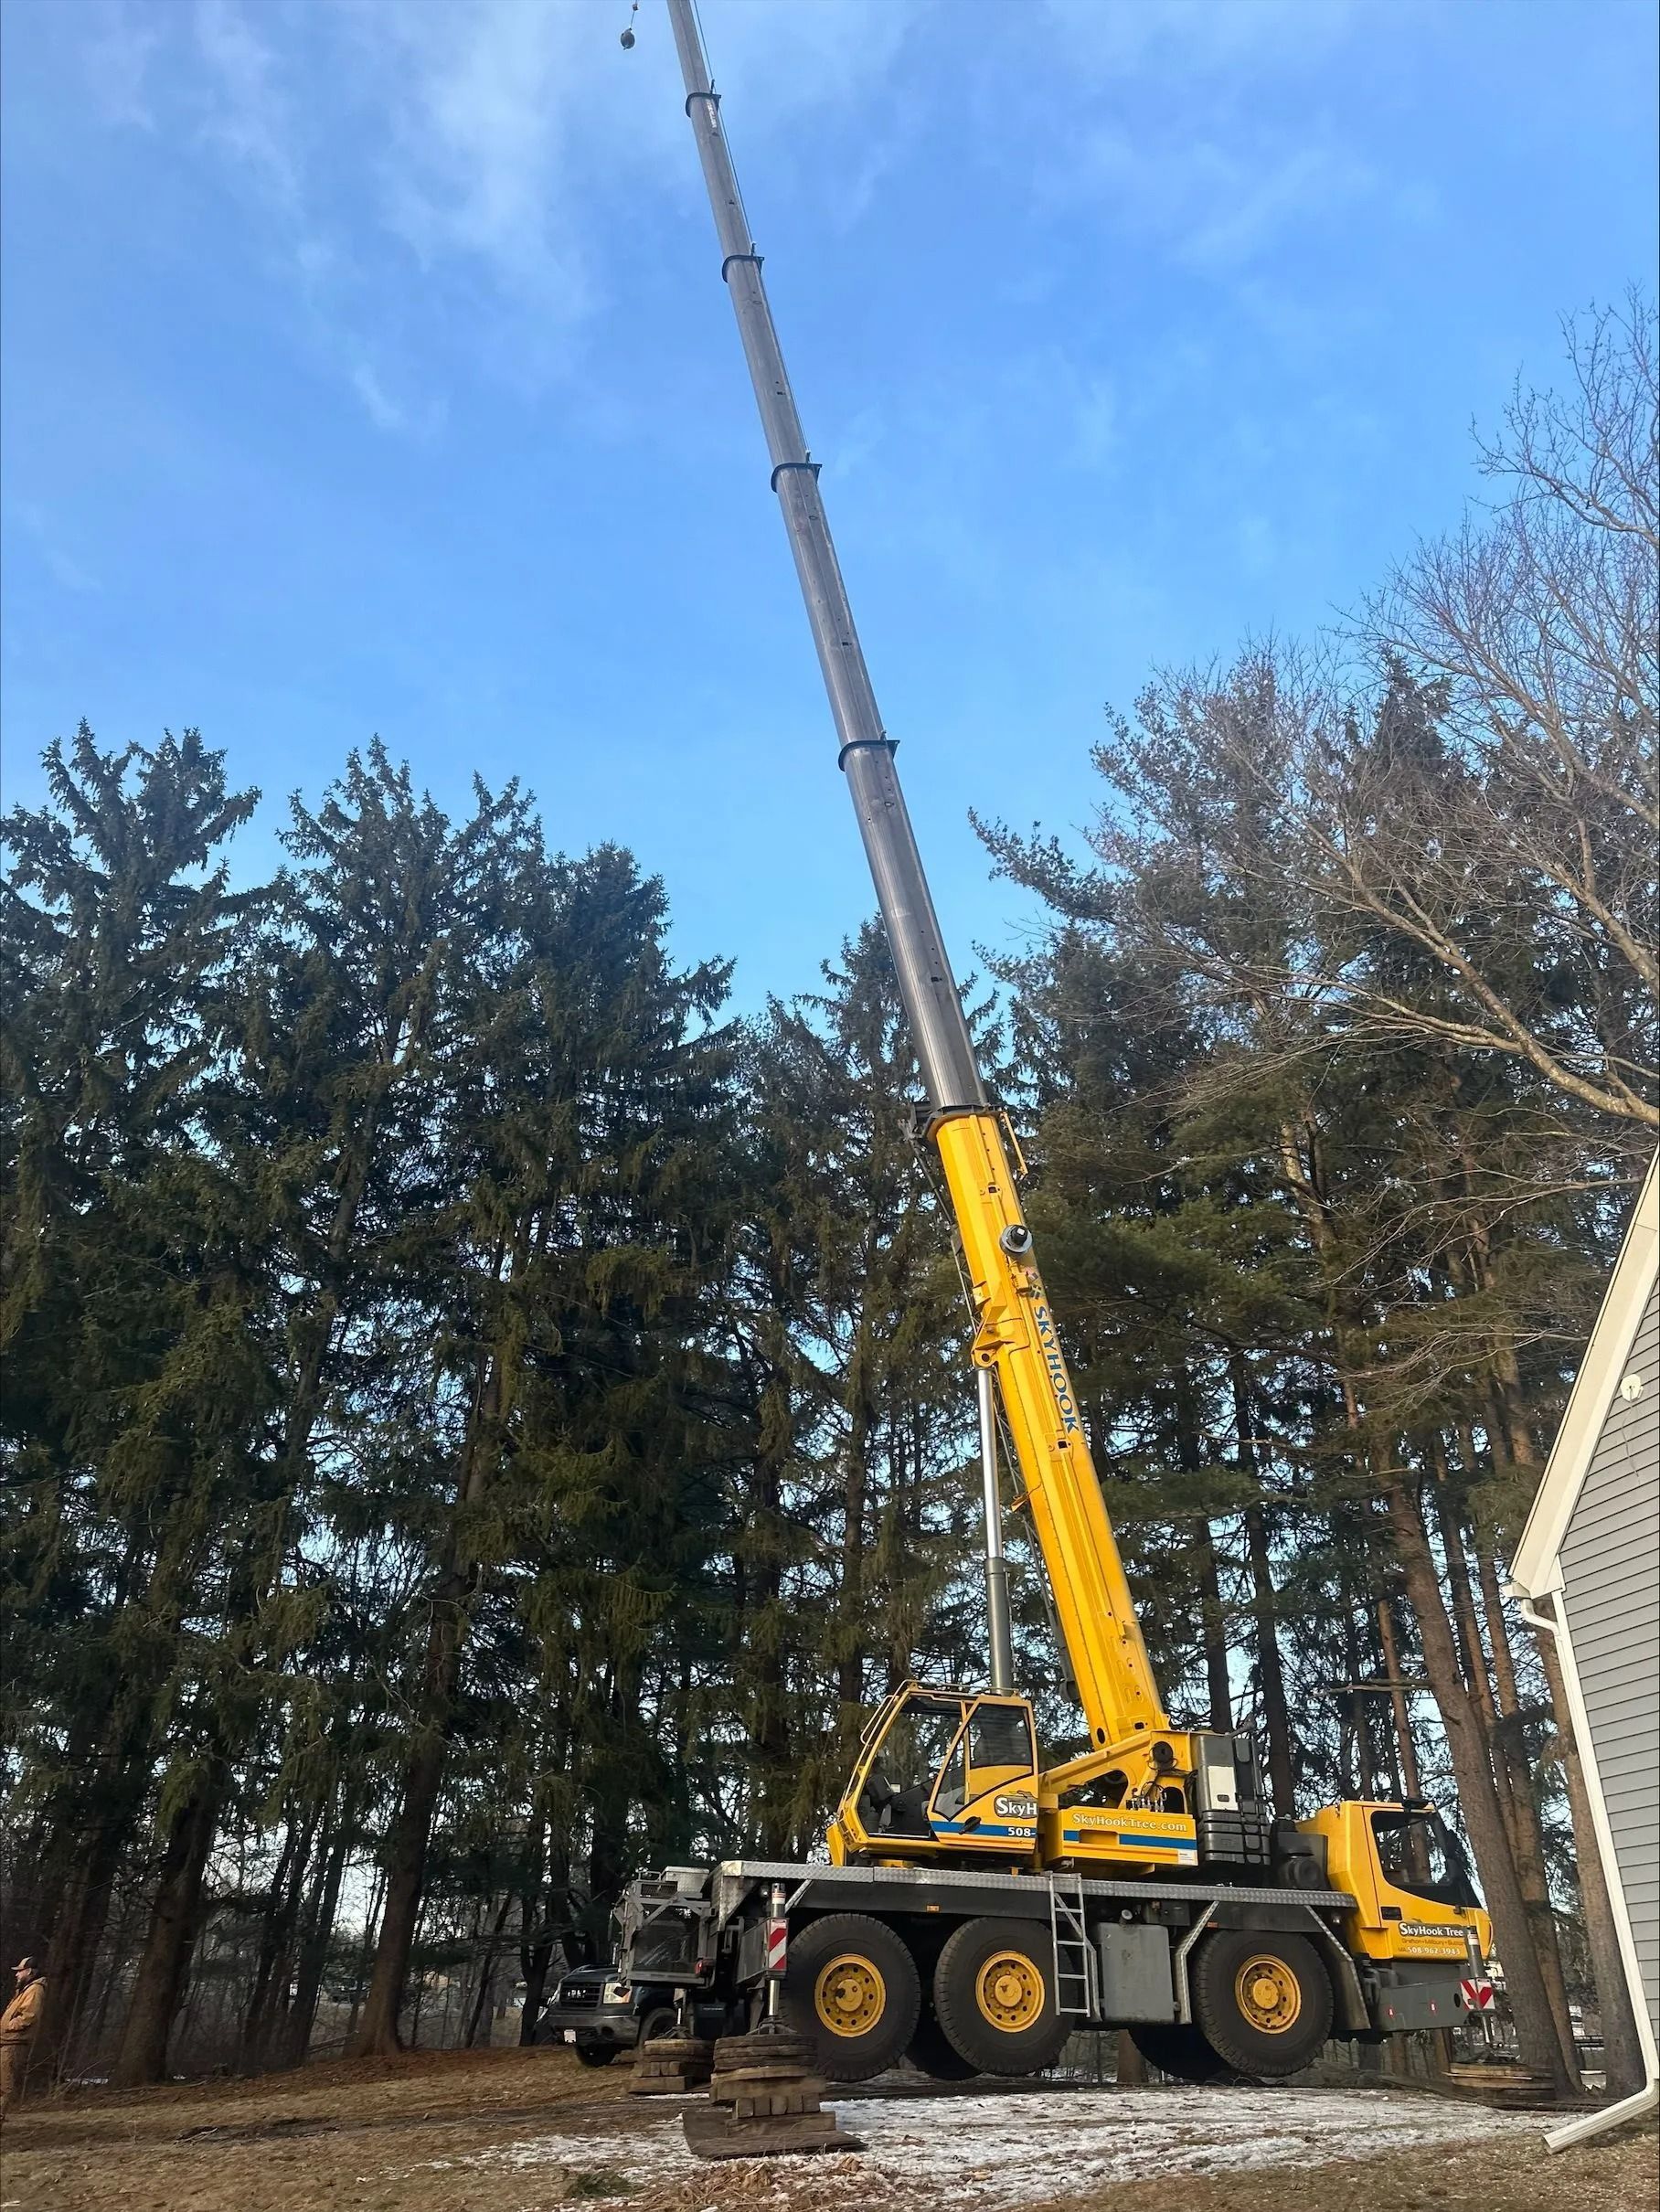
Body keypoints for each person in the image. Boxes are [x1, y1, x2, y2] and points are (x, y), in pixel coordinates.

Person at [0, 1957, 46, 2123]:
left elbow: (29, 2016)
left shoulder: (34, 1990)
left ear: (30, 1972)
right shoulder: (25, 1990)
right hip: (8, 2041)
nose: (17, 1975)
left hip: (15, 2043)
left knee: (4, 2085)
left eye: (20, 1971)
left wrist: (8, 2026)